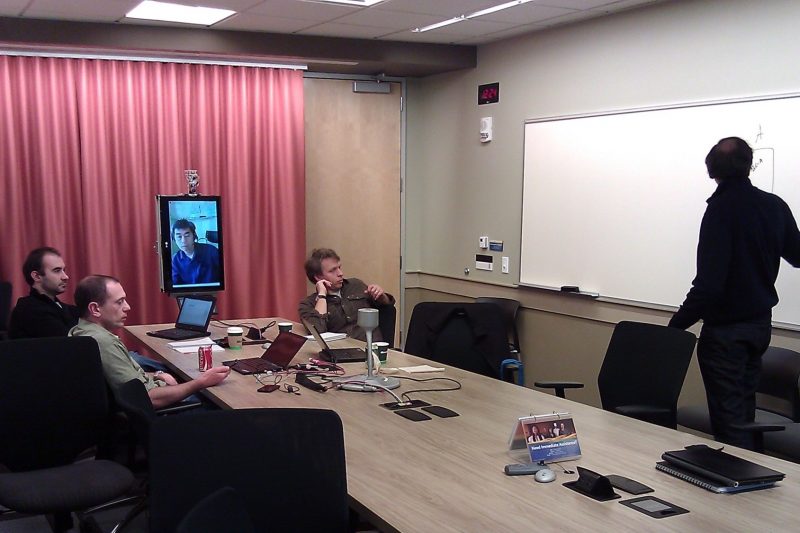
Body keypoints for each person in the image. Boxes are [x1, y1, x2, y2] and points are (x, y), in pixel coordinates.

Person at [669, 137, 800, 449]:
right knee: (744, 415)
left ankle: (733, 491)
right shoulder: (774, 206)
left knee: (729, 424)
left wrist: (675, 326)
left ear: (711, 168)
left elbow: (709, 286)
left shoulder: (720, 210)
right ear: (748, 165)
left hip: (725, 334)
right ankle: (752, 485)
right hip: (758, 330)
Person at [69, 275, 230, 409]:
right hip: (161, 415)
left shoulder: (80, 331)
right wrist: (200, 382)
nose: (128, 307)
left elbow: (126, 377)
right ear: (95, 309)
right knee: (221, 403)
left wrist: (157, 375)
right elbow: (148, 398)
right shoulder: (102, 342)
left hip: (152, 396)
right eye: (119, 302)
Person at [299, 248, 394, 342]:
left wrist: (381, 295)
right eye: (333, 270)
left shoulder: (356, 285)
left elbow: (387, 307)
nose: (340, 273)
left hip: (372, 347)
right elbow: (318, 331)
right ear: (318, 277)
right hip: (341, 352)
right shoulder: (308, 305)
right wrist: (322, 295)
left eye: (339, 268)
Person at [9, 247, 80, 339]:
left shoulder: (68, 309)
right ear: (37, 276)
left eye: (64, 270)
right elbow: (70, 343)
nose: (65, 277)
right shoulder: (28, 309)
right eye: (57, 271)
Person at [171, 219, 220, 285]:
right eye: (179, 237)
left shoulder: (211, 251)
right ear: (174, 239)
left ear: (194, 236)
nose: (183, 240)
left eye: (187, 235)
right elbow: (176, 286)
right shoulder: (175, 260)